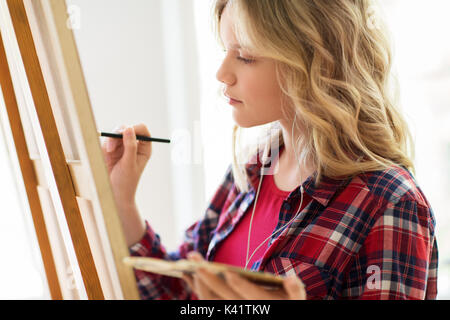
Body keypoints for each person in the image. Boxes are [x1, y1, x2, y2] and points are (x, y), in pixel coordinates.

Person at [101, 0, 438, 300]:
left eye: (245, 56)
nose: (222, 74)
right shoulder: (255, 168)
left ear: (315, 62)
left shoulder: (390, 202)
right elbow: (182, 291)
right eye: (225, 51)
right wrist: (121, 201)